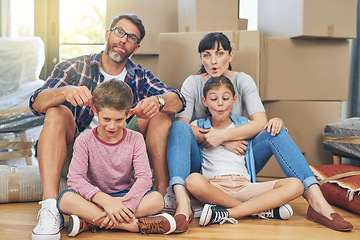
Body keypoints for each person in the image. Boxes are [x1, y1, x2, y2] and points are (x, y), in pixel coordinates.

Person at [166, 32, 353, 232]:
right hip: (203, 164)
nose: (213, 61)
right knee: (177, 127)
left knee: (276, 130)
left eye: (220, 54)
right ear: (200, 58)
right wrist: (220, 140)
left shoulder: (242, 80)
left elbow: (259, 122)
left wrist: (225, 135)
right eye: (207, 55)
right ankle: (185, 205)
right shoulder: (192, 83)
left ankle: (318, 203)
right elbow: (184, 128)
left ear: (230, 56)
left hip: (241, 160)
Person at [30, 13, 185, 240]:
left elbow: (179, 101)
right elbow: (36, 103)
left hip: (123, 162)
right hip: (79, 152)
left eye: (131, 38)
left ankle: (157, 195)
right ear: (108, 33)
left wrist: (158, 101)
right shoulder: (74, 68)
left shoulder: (140, 76)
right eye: (120, 32)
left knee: (160, 113)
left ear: (136, 47)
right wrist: (64, 92)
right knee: (55, 111)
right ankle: (50, 207)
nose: (123, 40)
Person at [57, 79, 176, 237]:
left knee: (156, 200)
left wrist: (125, 206)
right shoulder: (84, 140)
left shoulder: (136, 139)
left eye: (119, 120)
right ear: (95, 110)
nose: (112, 126)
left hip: (126, 197)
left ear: (128, 114)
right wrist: (105, 201)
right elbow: (75, 179)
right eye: (106, 119)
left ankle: (91, 221)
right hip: (96, 199)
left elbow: (144, 178)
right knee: (66, 199)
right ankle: (133, 226)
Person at [186, 76, 303, 226]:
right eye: (213, 99)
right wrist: (225, 141)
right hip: (215, 187)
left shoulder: (245, 125)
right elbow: (182, 129)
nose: (220, 104)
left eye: (226, 98)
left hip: (245, 186)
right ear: (204, 101)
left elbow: (270, 134)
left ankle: (227, 212)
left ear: (234, 99)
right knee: (193, 181)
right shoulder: (198, 125)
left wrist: (277, 120)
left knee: (296, 185)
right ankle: (258, 210)